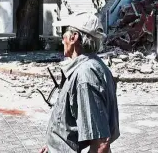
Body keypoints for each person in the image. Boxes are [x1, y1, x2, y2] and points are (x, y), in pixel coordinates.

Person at [41, 12, 119, 153]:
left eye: (63, 34)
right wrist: (53, 146)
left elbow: (101, 143)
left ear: (74, 37)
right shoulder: (91, 66)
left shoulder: (85, 75)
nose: (62, 39)